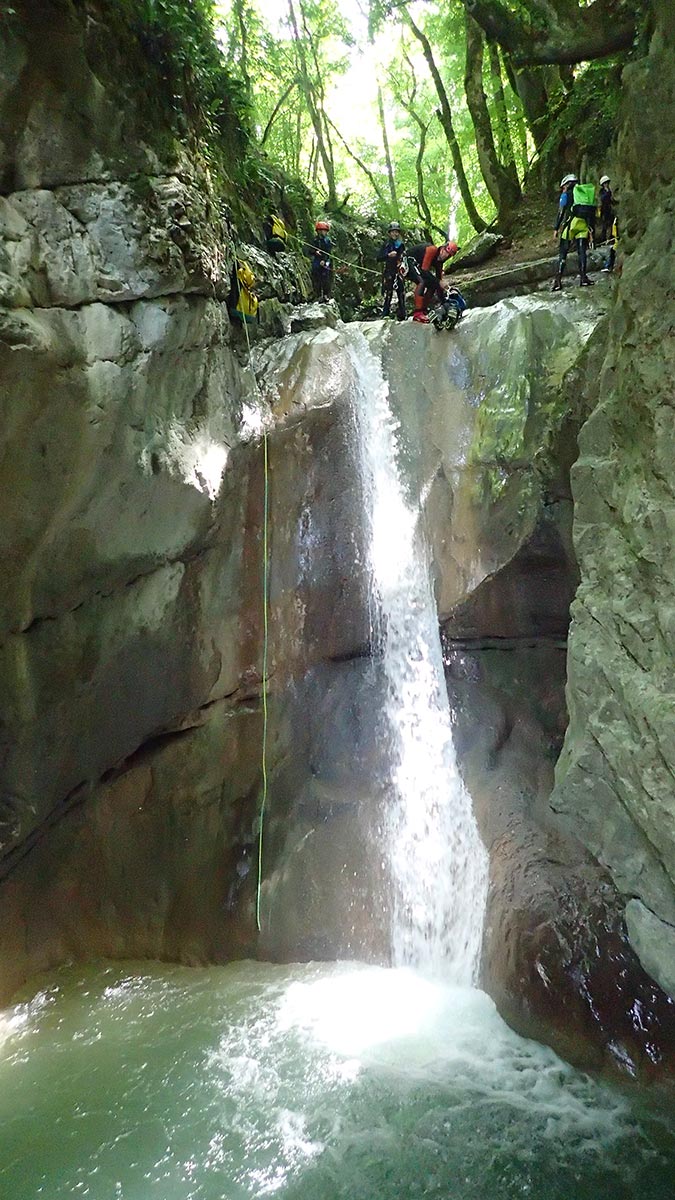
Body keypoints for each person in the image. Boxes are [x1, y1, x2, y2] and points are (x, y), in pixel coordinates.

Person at [551, 174, 594, 290]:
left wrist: (556, 228)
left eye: (563, 187)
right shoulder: (583, 193)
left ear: (567, 184)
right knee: (582, 252)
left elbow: (561, 212)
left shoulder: (566, 195)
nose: (562, 189)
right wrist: (591, 228)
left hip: (571, 224)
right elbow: (590, 210)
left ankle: (558, 281)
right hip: (583, 225)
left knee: (563, 252)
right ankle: (583, 278)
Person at [407, 240, 460, 322]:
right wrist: (439, 282)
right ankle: (418, 313)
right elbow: (424, 271)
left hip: (416, 266)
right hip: (407, 261)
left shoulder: (439, 263)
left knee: (433, 285)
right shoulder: (431, 250)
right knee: (422, 282)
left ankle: (423, 309)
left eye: (449, 255)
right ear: (442, 248)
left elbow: (438, 284)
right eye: (445, 252)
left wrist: (444, 302)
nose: (446, 256)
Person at [376, 220, 407, 321]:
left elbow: (405, 257)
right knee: (388, 293)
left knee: (401, 293)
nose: (395, 233)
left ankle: (402, 314)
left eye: (396, 232)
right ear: (389, 233)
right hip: (389, 272)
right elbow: (379, 258)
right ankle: (385, 313)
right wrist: (388, 255)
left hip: (399, 272)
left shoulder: (401, 245)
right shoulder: (386, 245)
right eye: (393, 232)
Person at [309, 219, 332, 301]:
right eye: (322, 231)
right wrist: (315, 252)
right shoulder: (315, 240)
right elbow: (310, 250)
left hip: (326, 259)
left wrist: (324, 260)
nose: (323, 232)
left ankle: (326, 295)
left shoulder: (327, 241)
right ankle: (318, 295)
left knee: (325, 277)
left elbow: (328, 252)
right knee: (316, 275)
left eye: (325, 231)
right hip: (317, 259)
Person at [598, 175, 616, 244]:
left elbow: (610, 199)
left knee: (611, 223)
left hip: (609, 209)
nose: (607, 184)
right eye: (605, 183)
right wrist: (607, 192)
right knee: (605, 224)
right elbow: (603, 199)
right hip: (604, 210)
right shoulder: (602, 191)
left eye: (607, 183)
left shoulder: (608, 190)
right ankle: (603, 238)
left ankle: (611, 236)